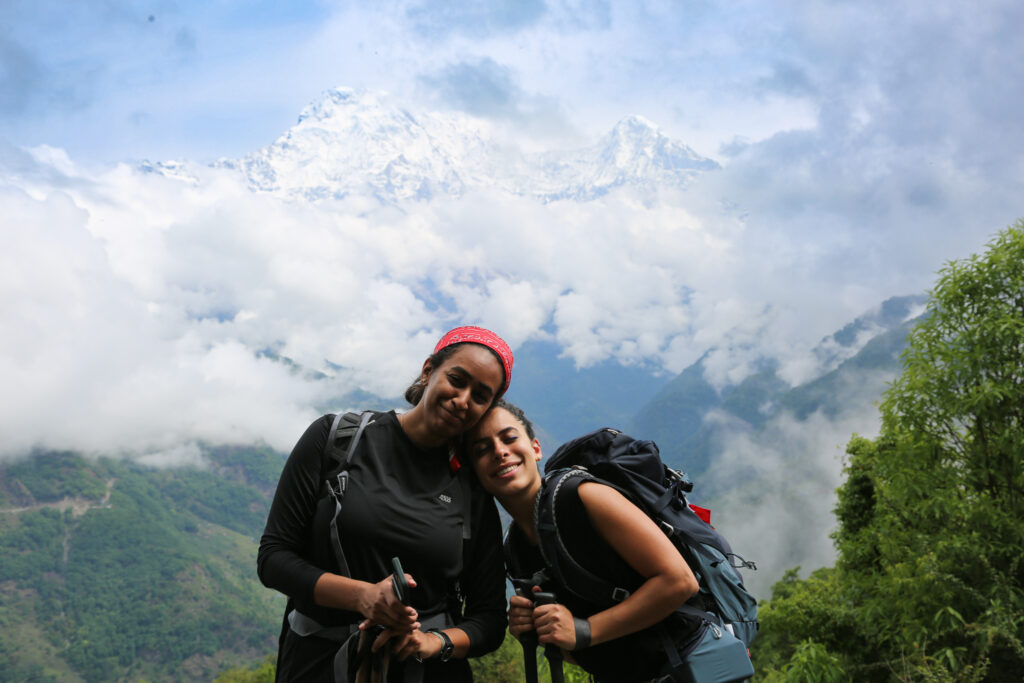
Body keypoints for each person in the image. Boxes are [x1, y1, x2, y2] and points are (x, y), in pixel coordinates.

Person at [258, 326, 514, 682]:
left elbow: (489, 619)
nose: (463, 399)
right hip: (317, 666)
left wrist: (433, 642)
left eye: (481, 396)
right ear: (428, 371)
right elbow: (273, 559)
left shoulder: (471, 487)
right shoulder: (338, 440)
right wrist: (362, 597)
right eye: (457, 380)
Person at [466, 401, 701, 683]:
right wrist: (539, 631)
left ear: (536, 448)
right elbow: (581, 647)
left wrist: (585, 629)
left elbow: (680, 582)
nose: (499, 451)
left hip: (691, 666)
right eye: (482, 450)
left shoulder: (580, 495)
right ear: (474, 472)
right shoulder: (515, 549)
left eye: (509, 438)